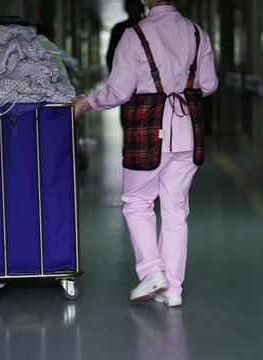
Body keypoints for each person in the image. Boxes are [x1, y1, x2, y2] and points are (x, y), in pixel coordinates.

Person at [73, 0, 218, 307]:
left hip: (148, 130)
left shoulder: (134, 35)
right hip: (187, 131)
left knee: (137, 202)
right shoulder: (196, 33)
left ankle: (152, 270)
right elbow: (208, 84)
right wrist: (178, 87)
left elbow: (119, 91)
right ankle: (173, 289)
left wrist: (88, 102)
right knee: (176, 209)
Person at [106, 0, 145, 73]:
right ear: (127, 11)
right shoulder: (118, 29)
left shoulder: (148, 28)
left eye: (136, 10)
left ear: (141, 10)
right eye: (131, 11)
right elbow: (111, 56)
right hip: (124, 73)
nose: (134, 14)